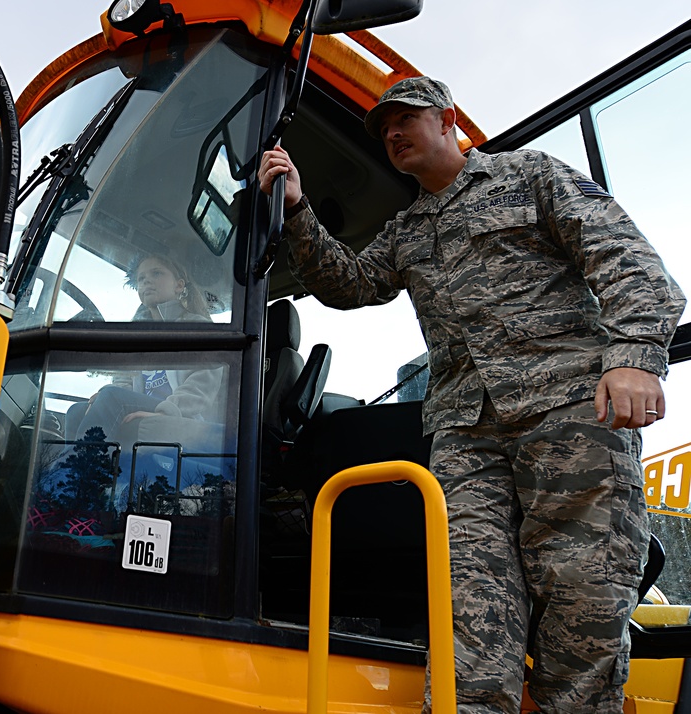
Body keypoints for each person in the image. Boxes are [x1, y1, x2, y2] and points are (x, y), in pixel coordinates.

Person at [257, 76, 685, 714]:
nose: (393, 133)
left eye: (405, 118)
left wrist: (634, 360)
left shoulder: (528, 176)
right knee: (468, 596)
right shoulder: (408, 229)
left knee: (581, 591)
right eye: (384, 129)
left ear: (447, 119)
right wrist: (295, 207)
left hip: (568, 414)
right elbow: (348, 285)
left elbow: (625, 260)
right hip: (467, 435)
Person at [68, 253, 222, 450]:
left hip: (182, 413)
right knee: (77, 412)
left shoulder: (197, 326)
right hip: (142, 405)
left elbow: (202, 385)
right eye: (141, 278)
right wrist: (104, 396)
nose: (147, 280)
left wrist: (166, 411)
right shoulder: (138, 335)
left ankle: (76, 474)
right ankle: (79, 474)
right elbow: (124, 380)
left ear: (179, 285)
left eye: (156, 273)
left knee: (111, 398)